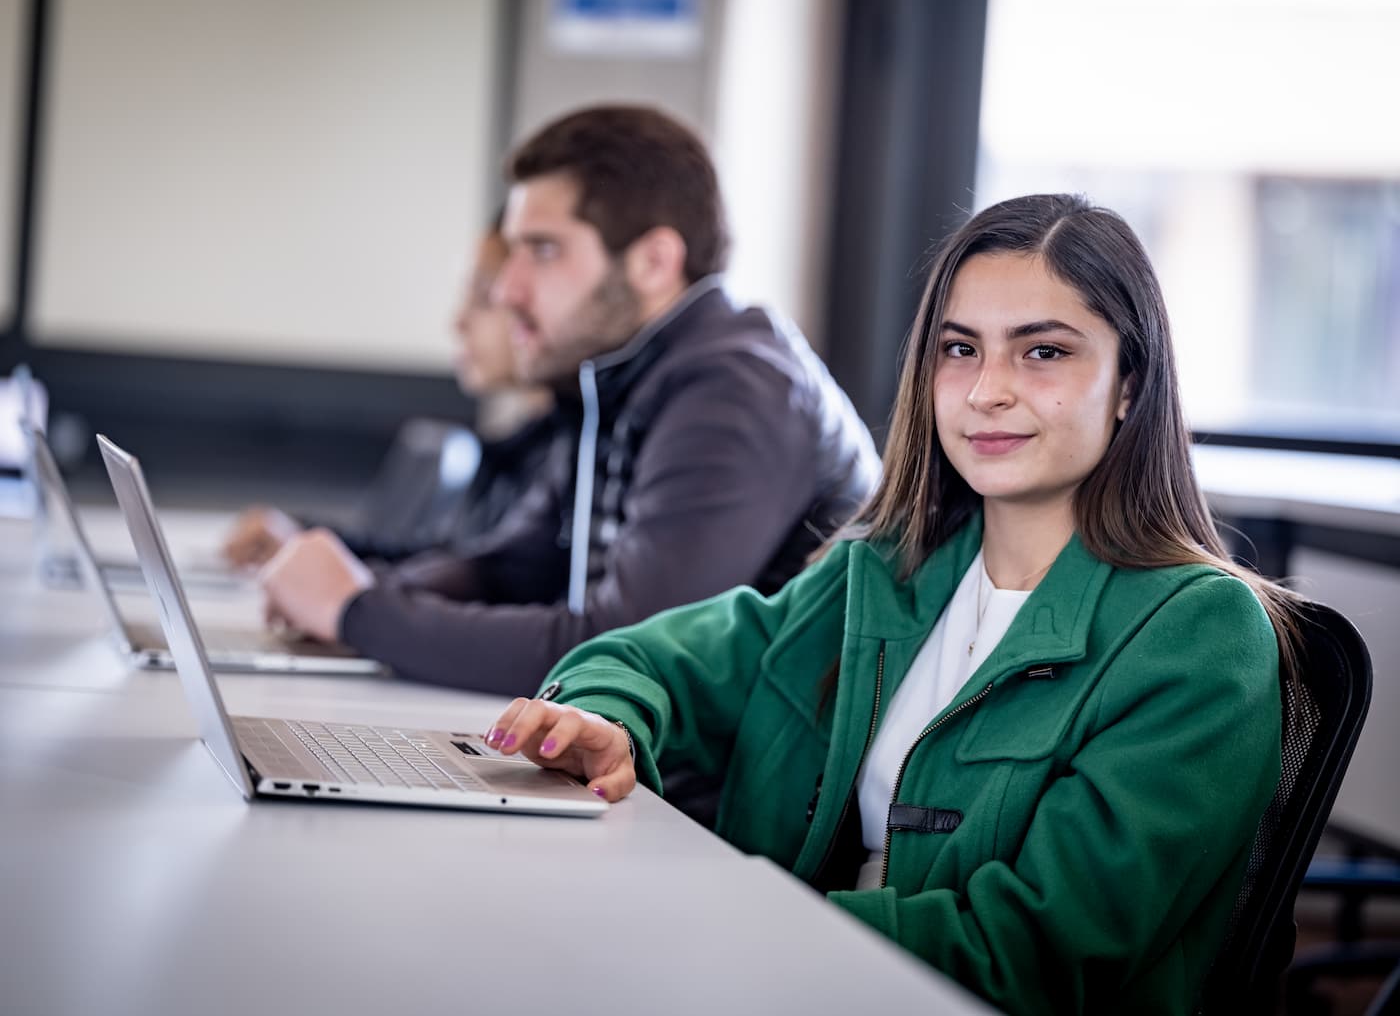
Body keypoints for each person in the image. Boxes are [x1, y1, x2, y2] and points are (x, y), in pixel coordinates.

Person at [484, 193, 1301, 1015]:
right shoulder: (890, 572)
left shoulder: (1199, 633)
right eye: (960, 348)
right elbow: (641, 657)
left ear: (1129, 384)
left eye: (1044, 352)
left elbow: (1032, 953)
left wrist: (728, 926)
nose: (987, 390)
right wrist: (600, 720)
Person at [258, 105, 880, 702]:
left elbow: (624, 651)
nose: (507, 288)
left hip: (711, 805)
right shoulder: (622, 373)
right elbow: (512, 566)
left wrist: (357, 614)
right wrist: (354, 590)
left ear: (653, 261)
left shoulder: (735, 391)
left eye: (544, 249)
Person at [222, 226, 560, 568]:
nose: (457, 322)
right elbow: (450, 564)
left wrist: (350, 599)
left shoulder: (561, 463)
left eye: (483, 299)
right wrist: (304, 540)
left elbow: (473, 582)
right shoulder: (518, 454)